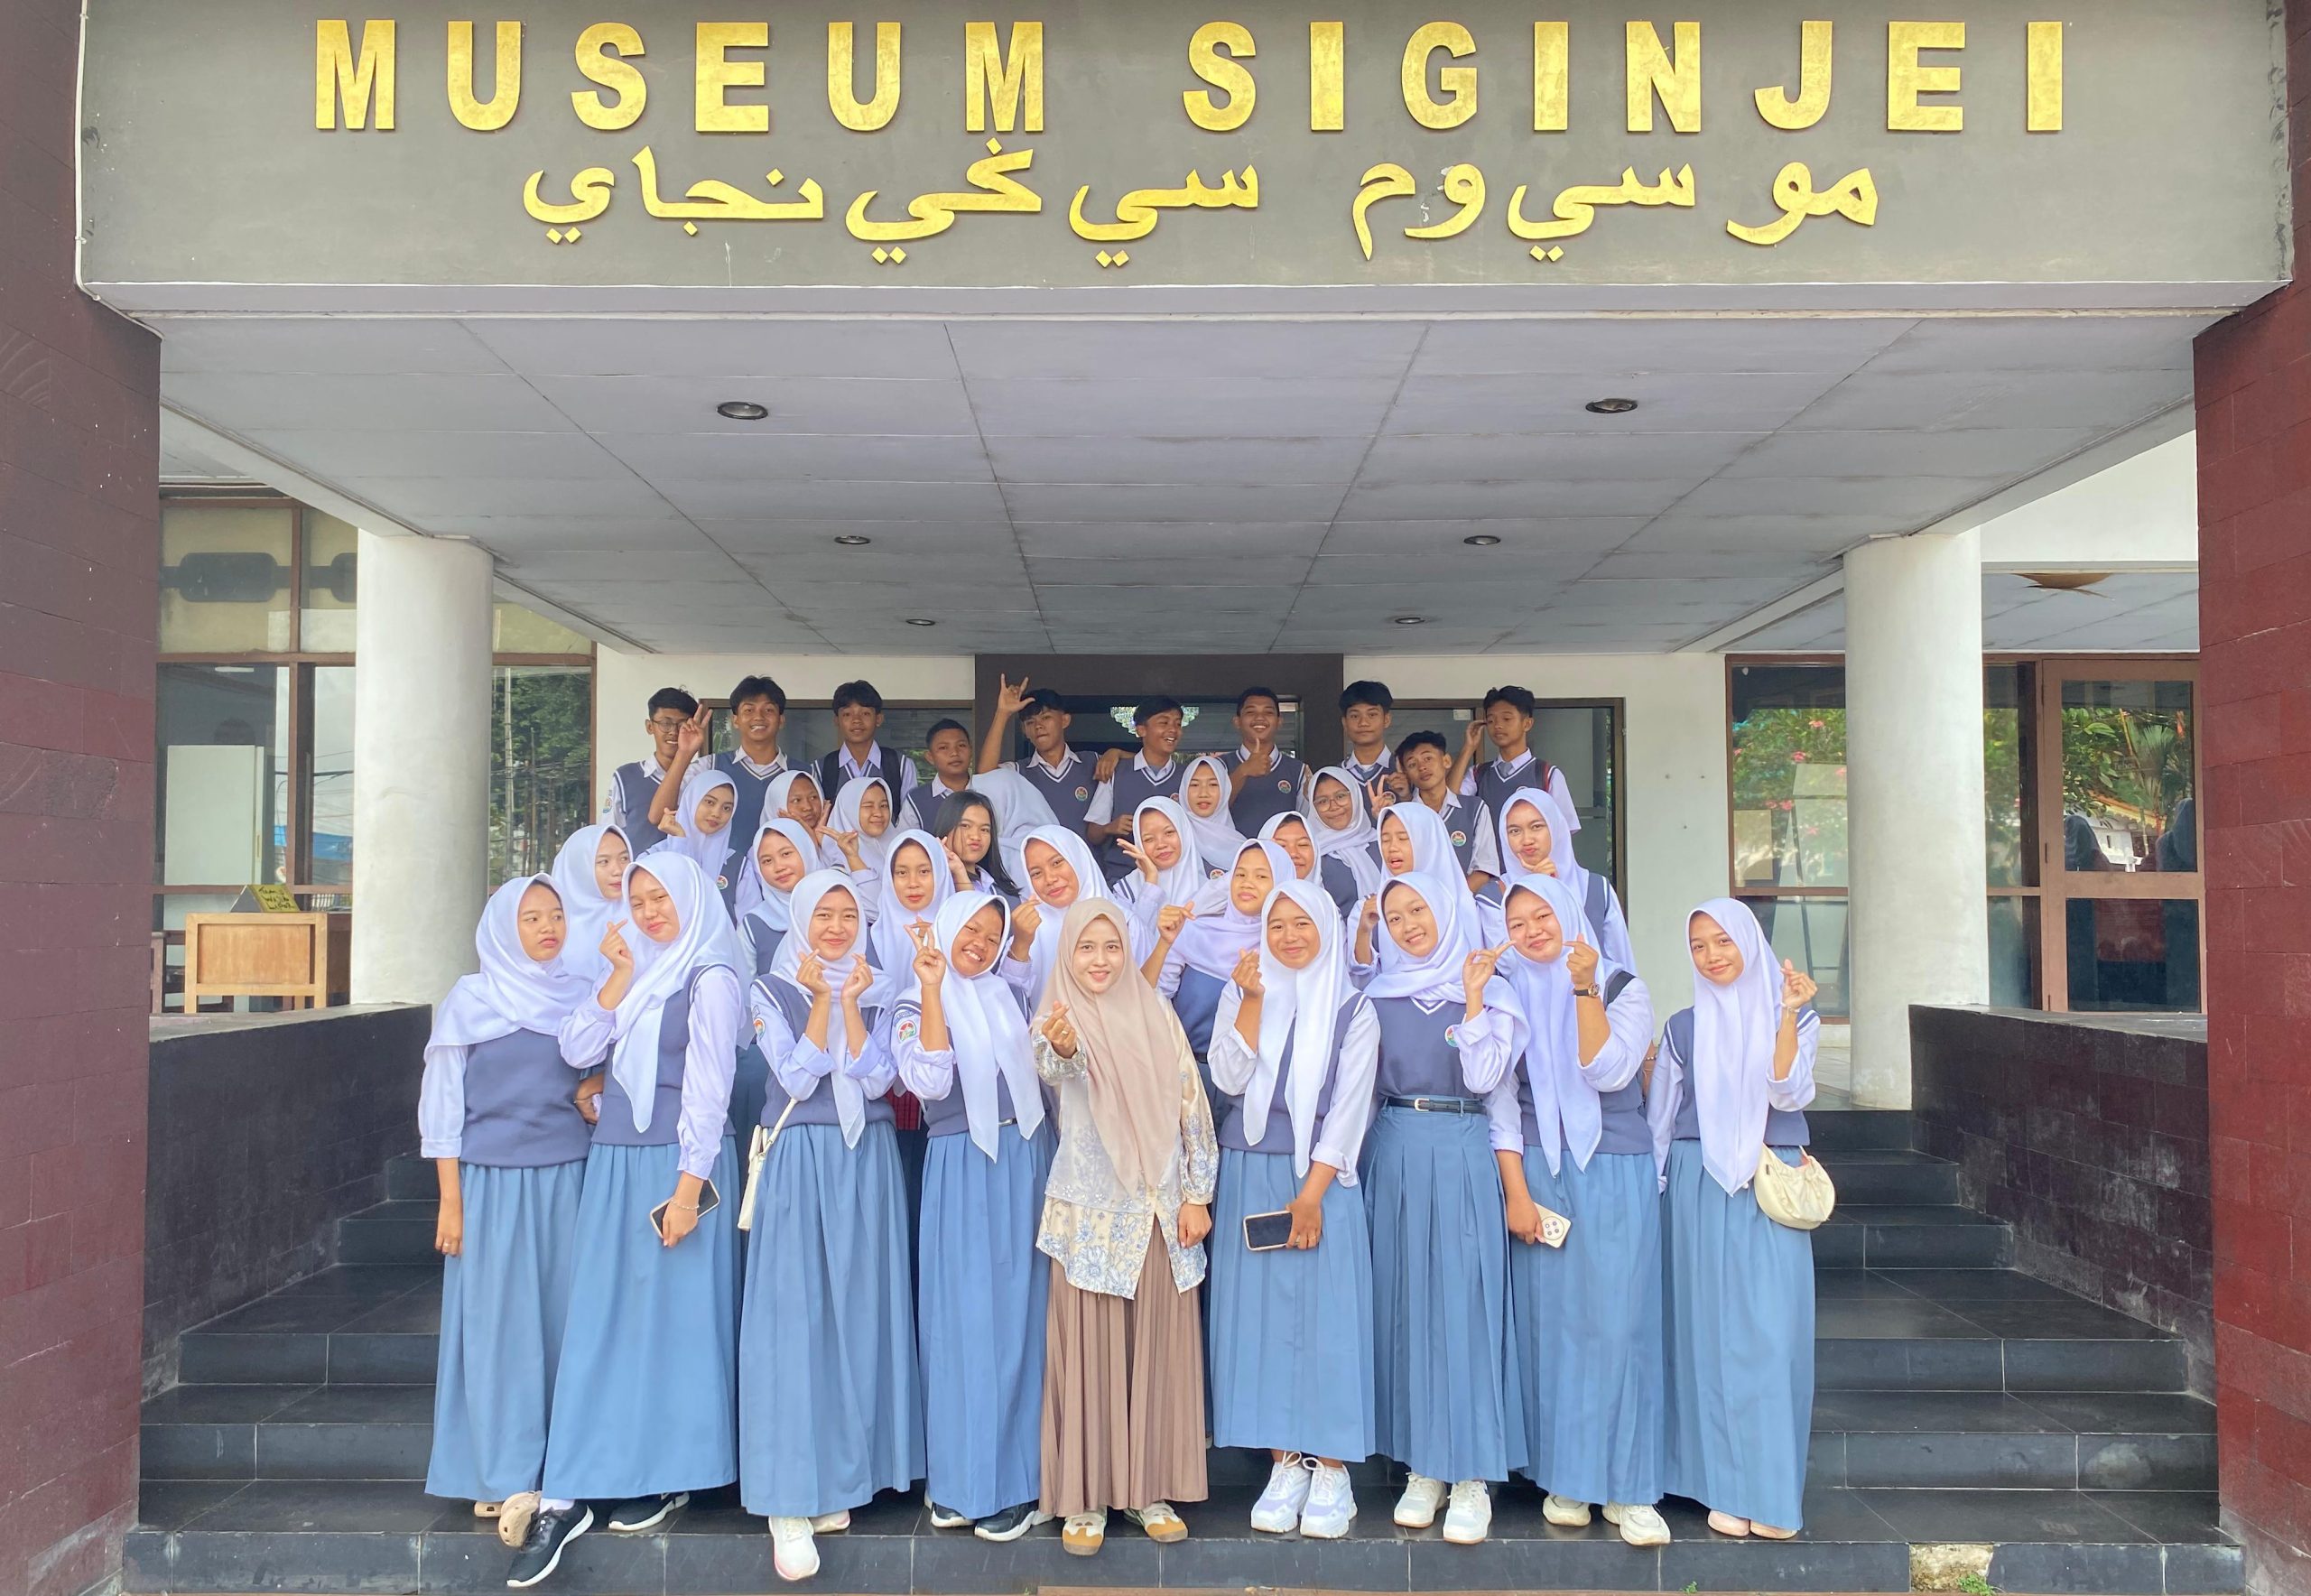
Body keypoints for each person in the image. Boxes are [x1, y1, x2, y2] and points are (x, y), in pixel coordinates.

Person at [519, 855, 742, 1589]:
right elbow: (578, 1047)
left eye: (661, 899)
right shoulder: (637, 971)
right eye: (638, 900)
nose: (649, 913)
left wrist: (687, 1190)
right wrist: (616, 974)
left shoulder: (711, 978)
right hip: (615, 1161)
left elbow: (709, 1088)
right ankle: (576, 1482)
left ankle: (667, 1472)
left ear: (691, 900)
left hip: (678, 1166)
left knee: (675, 1323)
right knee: (604, 1317)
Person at [740, 872, 923, 1582]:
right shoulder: (771, 989)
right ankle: (785, 1498)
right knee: (795, 1322)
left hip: (866, 1161)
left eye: (849, 914)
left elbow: (878, 1081)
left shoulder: (880, 991)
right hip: (803, 1163)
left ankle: (843, 1474)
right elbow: (794, 1076)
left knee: (858, 1316)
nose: (838, 928)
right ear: (800, 919)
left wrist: (849, 1002)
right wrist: (821, 1001)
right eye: (824, 915)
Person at [1031, 899, 1219, 1556]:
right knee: (1092, 1355)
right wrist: (1063, 1048)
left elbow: (1191, 1100)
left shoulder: (1156, 1012)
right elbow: (1058, 1066)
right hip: (1091, 1214)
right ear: (1068, 954)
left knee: (1154, 1350)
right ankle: (1084, 1497)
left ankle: (1148, 1491)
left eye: (1112, 946)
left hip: (1159, 1208)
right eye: (1086, 947)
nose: (1101, 960)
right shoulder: (1059, 1016)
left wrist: (1197, 1193)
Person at [421, 877, 595, 1551]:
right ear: (502, 928)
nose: (548, 927)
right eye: (531, 918)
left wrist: (595, 1085)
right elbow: (442, 1108)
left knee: (562, 1323)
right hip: (489, 1186)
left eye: (556, 915)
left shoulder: (580, 994)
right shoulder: (471, 1000)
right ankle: (499, 1471)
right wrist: (451, 1201)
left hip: (567, 1180)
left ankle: (559, 1468)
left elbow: (610, 1067)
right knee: (497, 1327)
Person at [1491, 877, 1666, 1548]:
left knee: (1620, 1325)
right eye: (1518, 923)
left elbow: (1609, 1071)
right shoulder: (1507, 992)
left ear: (1568, 916)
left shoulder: (1623, 986)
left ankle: (1629, 1483)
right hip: (1541, 1172)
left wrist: (1585, 990)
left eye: (1543, 916)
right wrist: (1517, 1192)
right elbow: (1500, 1102)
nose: (1532, 931)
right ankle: (1567, 1477)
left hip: (1614, 1168)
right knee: (1555, 1326)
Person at [1205, 877, 1379, 1538]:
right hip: (1250, 1169)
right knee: (1262, 1322)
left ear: (1327, 928)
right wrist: (1252, 1002)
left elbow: (1351, 1108)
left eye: (1302, 923)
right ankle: (1284, 1463)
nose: (1288, 937)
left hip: (1322, 1178)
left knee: (1328, 1319)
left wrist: (1311, 1195)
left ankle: (1331, 1468)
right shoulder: (1243, 991)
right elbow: (1227, 1077)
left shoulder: (1354, 1008)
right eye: (1276, 925)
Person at [1361, 871, 1524, 1546]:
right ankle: (1423, 1465)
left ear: (1447, 909)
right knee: (1408, 1307)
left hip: (1462, 1148)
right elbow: (1361, 1091)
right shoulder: (1376, 994)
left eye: (1418, 909)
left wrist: (1475, 997)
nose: (1408, 925)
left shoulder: (1492, 991)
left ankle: (1472, 1474)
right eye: (1395, 916)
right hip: (1395, 1148)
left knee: (1466, 1305)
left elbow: (1491, 1085)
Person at [891, 893, 1056, 1542]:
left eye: (992, 935)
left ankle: (1019, 1482)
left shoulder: (1008, 996)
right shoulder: (912, 1004)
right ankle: (963, 1480)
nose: (980, 944)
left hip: (1027, 1160)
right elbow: (929, 1082)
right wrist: (933, 990)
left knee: (1022, 1318)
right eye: (971, 930)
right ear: (946, 929)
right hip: (963, 1166)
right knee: (963, 1323)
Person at [1657, 899, 1821, 1542]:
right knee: (1702, 1335)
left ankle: (1769, 1492)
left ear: (1750, 943)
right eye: (1698, 945)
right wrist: (1658, 1192)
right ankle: (1718, 1486)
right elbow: (1660, 1123)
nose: (1712, 955)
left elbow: (1788, 1091)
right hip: (1696, 1184)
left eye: (1723, 941)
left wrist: (1787, 1014)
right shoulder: (1682, 1028)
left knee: (1767, 1337)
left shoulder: (1794, 1015)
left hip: (1767, 1181)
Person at [729, 815, 821, 1137]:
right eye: (766, 861)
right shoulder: (755, 922)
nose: (778, 866)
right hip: (772, 1052)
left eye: (786, 853)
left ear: (806, 851)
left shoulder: (836, 910)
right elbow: (744, 992)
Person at [1487, 787, 1634, 968]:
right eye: (1514, 831)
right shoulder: (1493, 896)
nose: (1527, 840)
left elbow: (1620, 960)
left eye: (1536, 827)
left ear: (1556, 827)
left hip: (1594, 986)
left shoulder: (1596, 889)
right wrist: (1536, 886)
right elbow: (1506, 964)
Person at [979, 676, 1099, 841]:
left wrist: (1116, 753)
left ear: (1065, 720)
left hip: (1086, 858)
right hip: (1038, 858)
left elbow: (1136, 763)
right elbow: (985, 775)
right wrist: (1002, 713)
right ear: (1024, 731)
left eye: (1046, 718)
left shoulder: (1093, 762)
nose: (1038, 726)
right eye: (1030, 722)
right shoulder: (1019, 772)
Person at [1452, 685, 1580, 840]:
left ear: (1527, 724)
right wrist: (1468, 748)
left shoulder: (1547, 774)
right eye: (1491, 721)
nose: (1498, 726)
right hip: (1488, 856)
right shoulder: (1478, 774)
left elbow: (1565, 830)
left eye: (1506, 719)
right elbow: (1449, 802)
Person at [1009, 826, 1122, 997]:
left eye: (1057, 863)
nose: (1050, 879)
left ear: (1078, 859)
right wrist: (1021, 944)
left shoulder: (1125, 922)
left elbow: (1148, 987)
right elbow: (1012, 997)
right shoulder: (1029, 930)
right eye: (1036, 873)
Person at [1085, 697, 1186, 881]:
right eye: (1163, 723)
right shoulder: (1116, 772)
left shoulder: (1188, 777)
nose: (1173, 729)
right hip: (1123, 877)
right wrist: (1109, 828)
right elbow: (1093, 833)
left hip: (1175, 879)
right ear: (1141, 730)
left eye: (1178, 724)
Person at [1395, 730, 1500, 887]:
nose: (1422, 767)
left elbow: (1485, 869)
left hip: (1467, 900)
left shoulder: (1475, 808)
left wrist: (1455, 898)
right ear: (1406, 774)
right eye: (1412, 764)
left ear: (1446, 761)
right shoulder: (1403, 817)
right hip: (1418, 900)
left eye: (1428, 758)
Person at [601, 688, 695, 854]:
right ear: (650, 726)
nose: (673, 732)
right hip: (639, 869)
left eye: (682, 725)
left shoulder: (699, 777)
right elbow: (609, 834)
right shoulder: (625, 777)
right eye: (665, 724)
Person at [644, 766, 740, 907]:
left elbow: (747, 916)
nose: (716, 813)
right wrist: (679, 840)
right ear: (691, 801)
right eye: (710, 802)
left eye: (726, 808)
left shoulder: (739, 866)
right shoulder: (652, 857)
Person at [548, 823, 630, 987]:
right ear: (578, 868)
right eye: (604, 862)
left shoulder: (643, 917)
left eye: (624, 859)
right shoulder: (550, 929)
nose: (618, 870)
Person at [816, 679, 920, 806]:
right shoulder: (821, 769)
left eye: (865, 713)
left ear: (878, 719)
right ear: (837, 721)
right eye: (847, 714)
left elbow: (909, 816)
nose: (856, 720)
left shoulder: (900, 766)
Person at [716, 675, 794, 844]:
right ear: (735, 720)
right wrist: (685, 752)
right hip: (723, 862)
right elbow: (660, 814)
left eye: (768, 710)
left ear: (781, 720)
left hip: (782, 860)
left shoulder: (803, 773)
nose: (759, 717)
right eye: (749, 710)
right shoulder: (710, 767)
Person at [1224, 686, 1308, 834]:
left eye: (1268, 712)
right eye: (1251, 712)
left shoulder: (1299, 771)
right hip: (1233, 849)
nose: (1260, 718)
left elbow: (1306, 823)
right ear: (1237, 721)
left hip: (1281, 849)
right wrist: (1243, 771)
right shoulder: (1220, 766)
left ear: (1279, 721)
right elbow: (1213, 811)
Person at [1305, 766, 1387, 914]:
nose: (1333, 806)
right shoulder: (1311, 855)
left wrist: (1387, 819)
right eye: (1323, 801)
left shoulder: (1382, 843)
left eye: (1341, 796)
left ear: (1355, 796)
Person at [928, 789, 1022, 904]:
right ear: (946, 827)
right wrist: (959, 873)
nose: (976, 836)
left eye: (984, 830)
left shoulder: (1002, 891)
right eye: (965, 826)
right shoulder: (929, 886)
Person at [827, 774, 896, 899]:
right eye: (868, 806)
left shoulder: (899, 847)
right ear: (849, 810)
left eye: (884, 806)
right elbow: (873, 906)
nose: (878, 813)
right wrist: (854, 859)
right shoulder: (838, 862)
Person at [1179, 754, 1246, 878]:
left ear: (1225, 790)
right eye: (1194, 785)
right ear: (1184, 791)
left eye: (1213, 784)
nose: (1203, 793)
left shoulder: (1242, 849)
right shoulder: (1176, 840)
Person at [903, 719, 977, 830]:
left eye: (961, 745)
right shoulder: (916, 800)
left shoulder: (987, 790)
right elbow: (905, 838)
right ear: (930, 757)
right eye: (943, 748)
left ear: (971, 750)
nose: (954, 753)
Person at [1339, 681, 1399, 793]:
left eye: (1372, 715)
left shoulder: (1406, 772)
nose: (1363, 723)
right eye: (1355, 716)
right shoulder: (1335, 776)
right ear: (1345, 723)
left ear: (1386, 720)